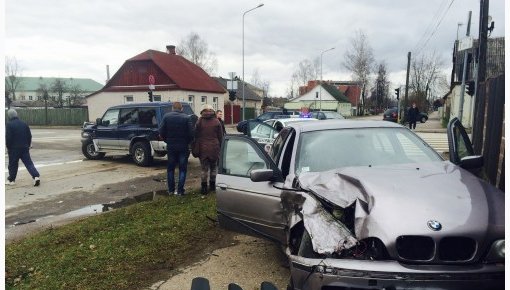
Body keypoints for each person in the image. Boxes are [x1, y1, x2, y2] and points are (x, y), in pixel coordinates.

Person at [159, 102, 194, 195]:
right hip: (183, 146)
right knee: (182, 169)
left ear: (172, 108)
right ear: (182, 108)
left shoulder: (166, 117)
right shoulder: (187, 118)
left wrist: (167, 140)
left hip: (171, 146)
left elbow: (161, 132)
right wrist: (188, 142)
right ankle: (180, 191)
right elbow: (191, 134)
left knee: (170, 169)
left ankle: (171, 190)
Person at [5, 109, 41, 186]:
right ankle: (36, 177)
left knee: (13, 164)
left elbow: (8, 137)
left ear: (9, 116)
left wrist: (8, 147)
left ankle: (11, 180)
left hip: (14, 148)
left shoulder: (9, 124)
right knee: (29, 163)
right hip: (24, 147)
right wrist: (27, 145)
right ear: (16, 114)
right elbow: (29, 135)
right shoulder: (24, 123)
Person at [195, 105, 224, 195]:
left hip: (203, 148)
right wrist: (221, 146)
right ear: (212, 111)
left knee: (204, 169)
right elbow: (220, 136)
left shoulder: (199, 121)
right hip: (214, 147)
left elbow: (195, 134)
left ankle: (204, 188)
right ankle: (212, 186)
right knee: (213, 168)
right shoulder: (216, 121)